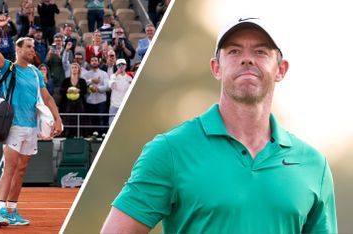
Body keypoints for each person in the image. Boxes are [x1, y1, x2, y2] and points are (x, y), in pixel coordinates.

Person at [101, 17, 338, 233]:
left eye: (261, 51)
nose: (247, 58)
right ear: (216, 67)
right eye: (234, 51)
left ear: (281, 70)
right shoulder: (170, 150)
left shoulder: (313, 165)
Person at [0, 14, 63, 227]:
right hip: (13, 126)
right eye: (29, 46)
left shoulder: (35, 72)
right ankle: (0, 211)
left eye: (34, 46)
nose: (33, 50)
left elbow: (46, 97)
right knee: (9, 169)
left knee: (21, 170)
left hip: (31, 128)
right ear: (18, 49)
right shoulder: (9, 68)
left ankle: (12, 210)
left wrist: (57, 119)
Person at [108, 58, 131, 125]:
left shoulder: (129, 78)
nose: (121, 66)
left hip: (124, 105)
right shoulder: (113, 76)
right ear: (116, 66)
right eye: (119, 65)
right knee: (111, 124)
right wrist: (115, 75)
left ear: (126, 66)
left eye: (123, 64)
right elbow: (110, 86)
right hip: (114, 104)